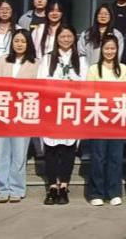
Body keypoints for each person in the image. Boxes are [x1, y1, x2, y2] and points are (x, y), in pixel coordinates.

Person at [37, 25, 88, 205]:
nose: (66, 40)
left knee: (68, 148)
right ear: (57, 38)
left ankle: (64, 185)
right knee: (51, 148)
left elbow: (85, 83)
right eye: (62, 36)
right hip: (52, 108)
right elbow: (41, 82)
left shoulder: (81, 59)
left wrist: (73, 83)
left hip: (71, 109)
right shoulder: (47, 58)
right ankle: (52, 186)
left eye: (69, 36)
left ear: (74, 38)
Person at [0, 29, 38, 204]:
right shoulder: (3, 60)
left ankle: (17, 188)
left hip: (23, 112)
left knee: (19, 153)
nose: (19, 44)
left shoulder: (35, 63)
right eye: (16, 40)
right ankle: (3, 188)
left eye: (23, 41)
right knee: (0, 153)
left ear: (29, 44)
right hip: (3, 111)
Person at [86, 34, 126, 206]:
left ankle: (114, 192)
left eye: (113, 48)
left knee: (115, 156)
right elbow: (89, 93)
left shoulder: (123, 69)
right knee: (98, 156)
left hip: (117, 117)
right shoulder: (93, 70)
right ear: (101, 50)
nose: (110, 51)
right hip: (99, 117)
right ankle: (96, 192)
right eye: (107, 48)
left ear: (117, 50)